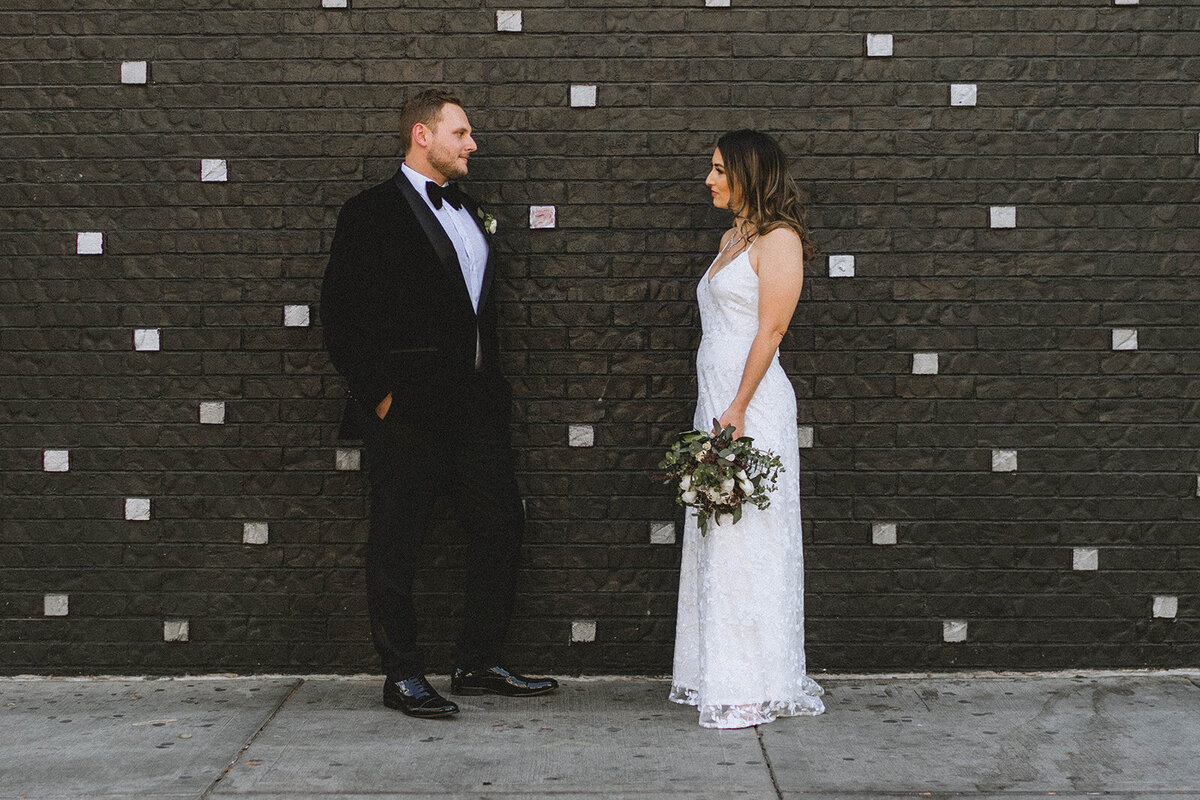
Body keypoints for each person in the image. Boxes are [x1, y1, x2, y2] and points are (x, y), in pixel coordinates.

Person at [320, 88, 557, 719]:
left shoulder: (471, 210)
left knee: (501, 525)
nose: (472, 144)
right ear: (422, 136)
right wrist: (382, 400)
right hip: (410, 413)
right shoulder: (368, 212)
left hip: (477, 409)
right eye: (461, 133)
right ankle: (401, 674)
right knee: (398, 540)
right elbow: (341, 316)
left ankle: (477, 661)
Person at [669, 130, 826, 729]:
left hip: (750, 405)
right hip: (717, 402)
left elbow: (772, 330)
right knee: (719, 534)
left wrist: (736, 407)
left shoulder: (779, 239)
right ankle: (718, 672)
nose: (708, 180)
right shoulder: (732, 237)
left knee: (749, 536)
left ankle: (754, 684)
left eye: (717, 170)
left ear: (747, 175)